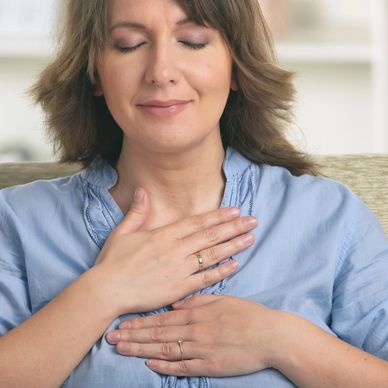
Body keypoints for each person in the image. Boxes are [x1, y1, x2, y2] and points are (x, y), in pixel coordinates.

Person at [1, 0, 388, 386]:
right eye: (129, 44)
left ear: (236, 65)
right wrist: (102, 292)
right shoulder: (18, 222)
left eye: (193, 40)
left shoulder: (331, 217)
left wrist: (286, 341)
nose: (161, 72)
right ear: (95, 73)